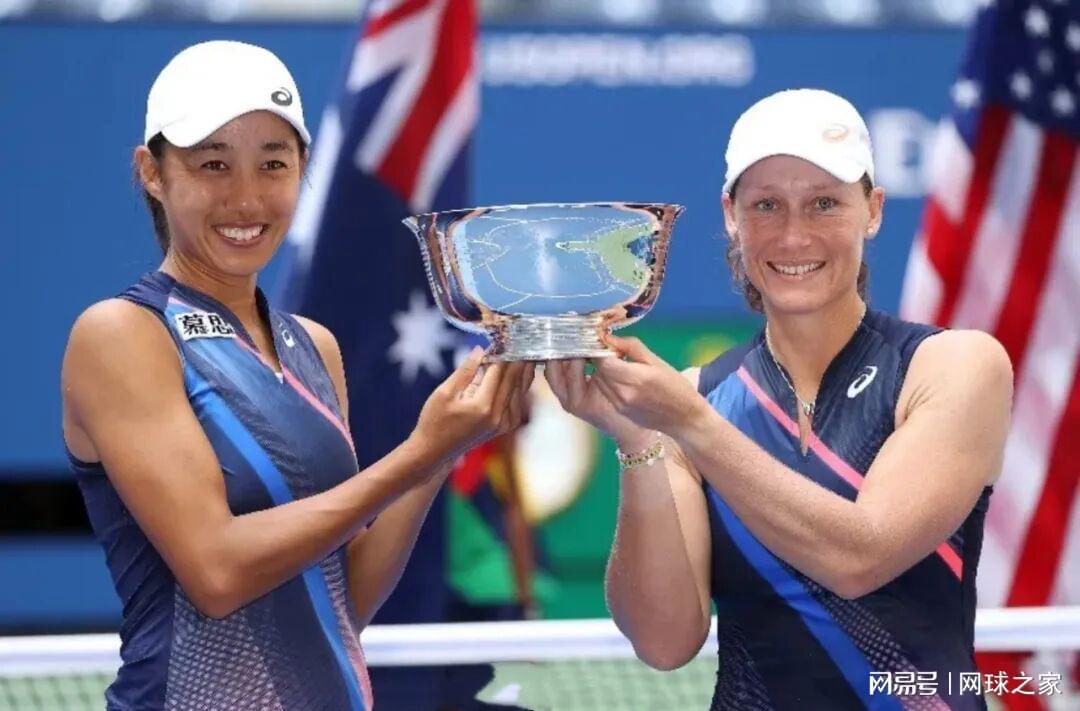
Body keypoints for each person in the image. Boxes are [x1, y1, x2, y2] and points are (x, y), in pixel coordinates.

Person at [60, 40, 533, 710]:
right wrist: (417, 453)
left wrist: (440, 453)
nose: (246, 197)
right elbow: (217, 571)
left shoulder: (315, 346)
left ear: (303, 170)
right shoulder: (121, 334)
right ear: (152, 172)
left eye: (273, 164)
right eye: (214, 164)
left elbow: (345, 594)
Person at [545, 88, 1012, 710]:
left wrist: (691, 426)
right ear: (731, 216)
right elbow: (663, 642)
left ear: (873, 210)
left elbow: (859, 558)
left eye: (824, 203)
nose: (794, 236)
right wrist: (638, 441)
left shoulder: (953, 365)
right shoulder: (694, 400)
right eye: (766, 205)